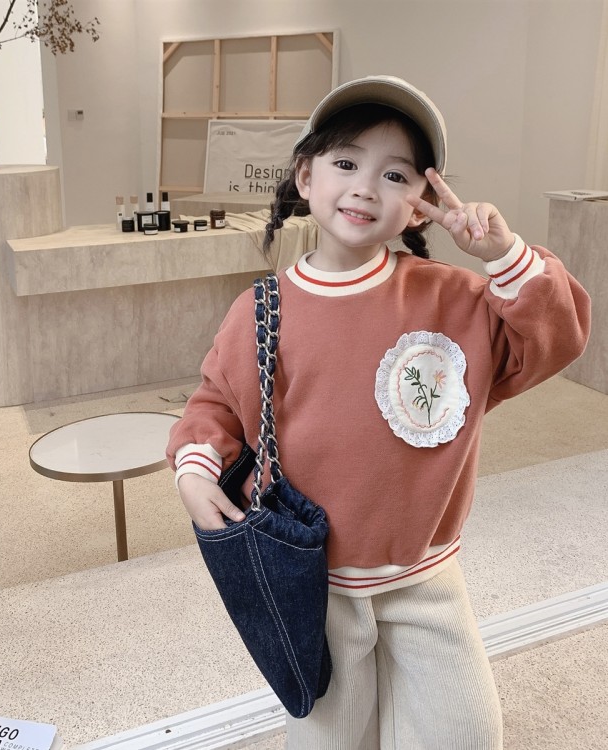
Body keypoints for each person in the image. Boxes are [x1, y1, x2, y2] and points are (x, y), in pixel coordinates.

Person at [166, 75, 591, 749]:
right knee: (329, 737)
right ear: (305, 177)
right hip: (313, 583)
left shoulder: (454, 300)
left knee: (465, 734)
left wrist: (506, 259)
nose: (366, 187)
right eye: (345, 163)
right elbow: (215, 404)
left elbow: (555, 338)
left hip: (428, 576)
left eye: (395, 175)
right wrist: (194, 469)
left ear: (422, 206)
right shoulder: (261, 311)